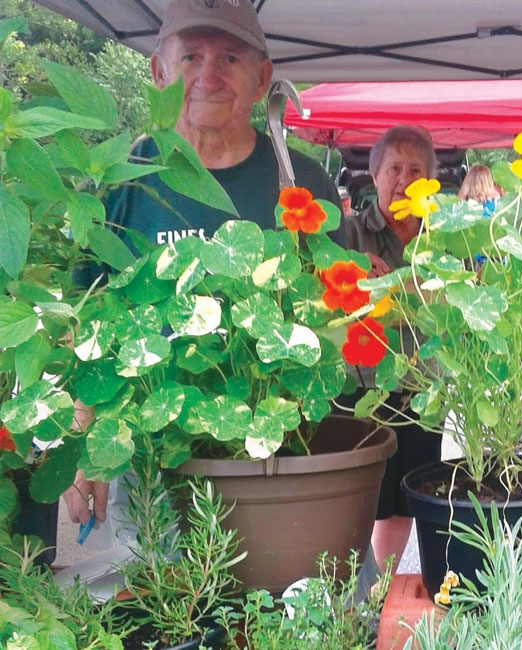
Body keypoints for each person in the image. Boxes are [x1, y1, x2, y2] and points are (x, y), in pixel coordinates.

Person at [64, 0, 344, 526]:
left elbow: (334, 321)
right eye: (191, 56)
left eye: (231, 59)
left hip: (285, 460)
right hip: (152, 467)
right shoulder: (114, 185)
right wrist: (87, 443)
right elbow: (86, 324)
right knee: (161, 604)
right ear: (158, 70)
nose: (208, 75)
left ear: (263, 79)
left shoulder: (303, 183)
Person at [342, 125, 442, 572]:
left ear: (430, 179)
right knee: (360, 497)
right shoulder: (347, 235)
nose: (404, 179)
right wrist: (351, 270)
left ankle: (382, 592)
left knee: (406, 497)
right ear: (374, 175)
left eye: (415, 169)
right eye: (394, 168)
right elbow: (315, 285)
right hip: (362, 386)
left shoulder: (444, 238)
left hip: (423, 386)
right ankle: (343, 591)